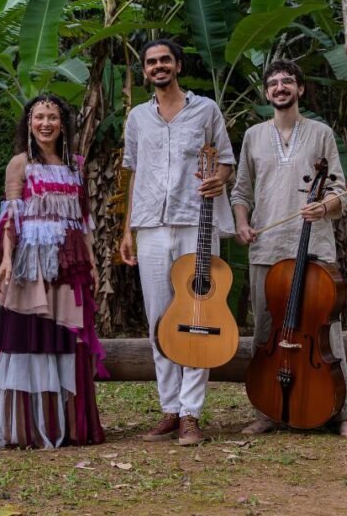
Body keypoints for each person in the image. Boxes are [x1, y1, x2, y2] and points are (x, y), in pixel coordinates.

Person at [231, 59, 347, 438]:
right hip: (267, 248)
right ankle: (267, 410)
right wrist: (242, 222)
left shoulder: (320, 133)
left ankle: (344, 412)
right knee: (265, 332)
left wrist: (324, 205)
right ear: (266, 92)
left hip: (314, 247)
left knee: (327, 331)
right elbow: (240, 191)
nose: (280, 88)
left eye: (287, 81)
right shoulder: (254, 136)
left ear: (300, 89)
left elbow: (339, 192)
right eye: (273, 83)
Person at [119, 38, 235, 446]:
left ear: (178, 65)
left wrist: (218, 179)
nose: (158, 66)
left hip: (195, 224)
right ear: (145, 70)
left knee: (198, 316)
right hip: (150, 224)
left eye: (165, 59)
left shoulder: (206, 110)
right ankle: (169, 408)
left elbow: (226, 162)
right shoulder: (137, 117)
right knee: (158, 320)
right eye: (151, 62)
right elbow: (132, 171)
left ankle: (192, 413)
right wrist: (127, 230)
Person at [0, 94, 106, 448]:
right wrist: (7, 260)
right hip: (31, 264)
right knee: (32, 337)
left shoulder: (76, 165)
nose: (45, 123)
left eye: (52, 117)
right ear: (29, 122)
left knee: (69, 338)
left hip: (71, 264)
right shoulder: (19, 164)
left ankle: (70, 425)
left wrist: (94, 264)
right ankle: (31, 426)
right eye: (38, 116)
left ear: (62, 123)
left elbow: (84, 220)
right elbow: (11, 216)